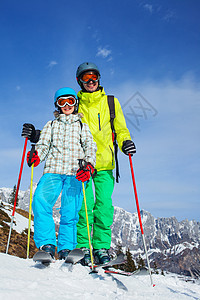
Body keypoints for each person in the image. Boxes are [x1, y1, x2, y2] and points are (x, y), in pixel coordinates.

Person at [75, 62, 136, 265]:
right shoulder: (75, 104)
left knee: (103, 206)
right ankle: (83, 246)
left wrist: (125, 141)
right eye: (86, 78)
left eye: (94, 77)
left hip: (105, 163)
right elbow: (62, 127)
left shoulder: (111, 102)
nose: (91, 81)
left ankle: (101, 247)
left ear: (99, 79)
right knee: (84, 205)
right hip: (82, 164)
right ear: (80, 81)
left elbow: (120, 127)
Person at [25, 87, 97, 259]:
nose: (66, 105)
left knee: (70, 210)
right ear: (57, 105)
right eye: (62, 102)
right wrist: (37, 156)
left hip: (75, 172)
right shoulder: (51, 124)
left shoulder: (82, 125)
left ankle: (67, 248)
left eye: (70, 101)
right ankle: (47, 244)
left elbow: (90, 146)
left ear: (75, 104)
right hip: (53, 170)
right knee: (40, 201)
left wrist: (89, 166)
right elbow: (43, 146)